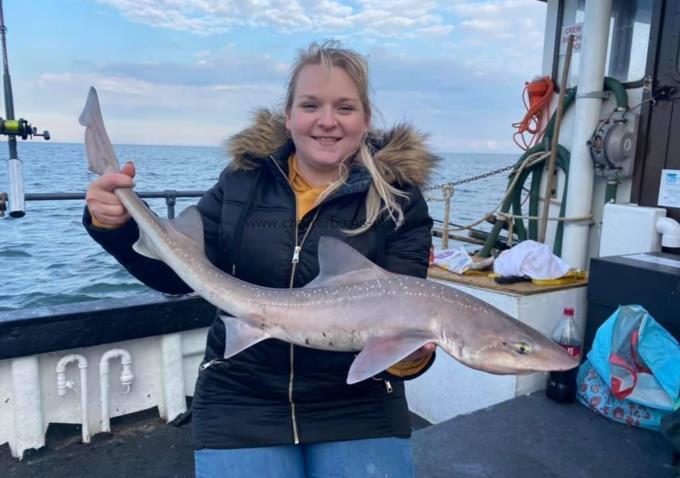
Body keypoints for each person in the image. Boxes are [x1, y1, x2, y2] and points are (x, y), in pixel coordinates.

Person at [84, 41, 438, 477]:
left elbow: (405, 315)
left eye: (345, 107)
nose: (327, 121)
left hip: (357, 400)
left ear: (365, 119)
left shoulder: (400, 203)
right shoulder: (242, 182)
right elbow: (177, 277)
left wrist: (410, 357)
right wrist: (115, 225)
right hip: (241, 393)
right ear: (288, 116)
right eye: (311, 105)